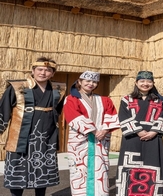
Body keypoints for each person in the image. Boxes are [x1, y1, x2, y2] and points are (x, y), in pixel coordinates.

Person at [0, 57, 66, 196]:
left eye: (48, 70)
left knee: (43, 172)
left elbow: (57, 111)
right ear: (33, 70)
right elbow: (4, 110)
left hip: (46, 137)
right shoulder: (18, 87)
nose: (43, 73)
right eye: (40, 69)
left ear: (53, 73)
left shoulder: (58, 89)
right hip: (20, 137)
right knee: (18, 171)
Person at [63, 70, 120, 196]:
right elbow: (73, 116)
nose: (91, 84)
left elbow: (111, 116)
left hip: (100, 139)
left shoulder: (105, 100)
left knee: (101, 169)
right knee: (79, 169)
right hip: (80, 140)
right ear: (80, 82)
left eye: (94, 82)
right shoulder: (71, 99)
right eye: (88, 81)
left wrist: (104, 130)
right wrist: (94, 131)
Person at [116, 71, 163, 196]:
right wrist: (139, 130)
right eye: (142, 81)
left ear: (153, 83)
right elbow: (123, 117)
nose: (145, 84)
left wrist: (154, 131)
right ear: (136, 83)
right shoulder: (126, 99)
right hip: (132, 138)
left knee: (152, 166)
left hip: (154, 138)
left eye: (149, 81)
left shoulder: (160, 100)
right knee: (130, 169)